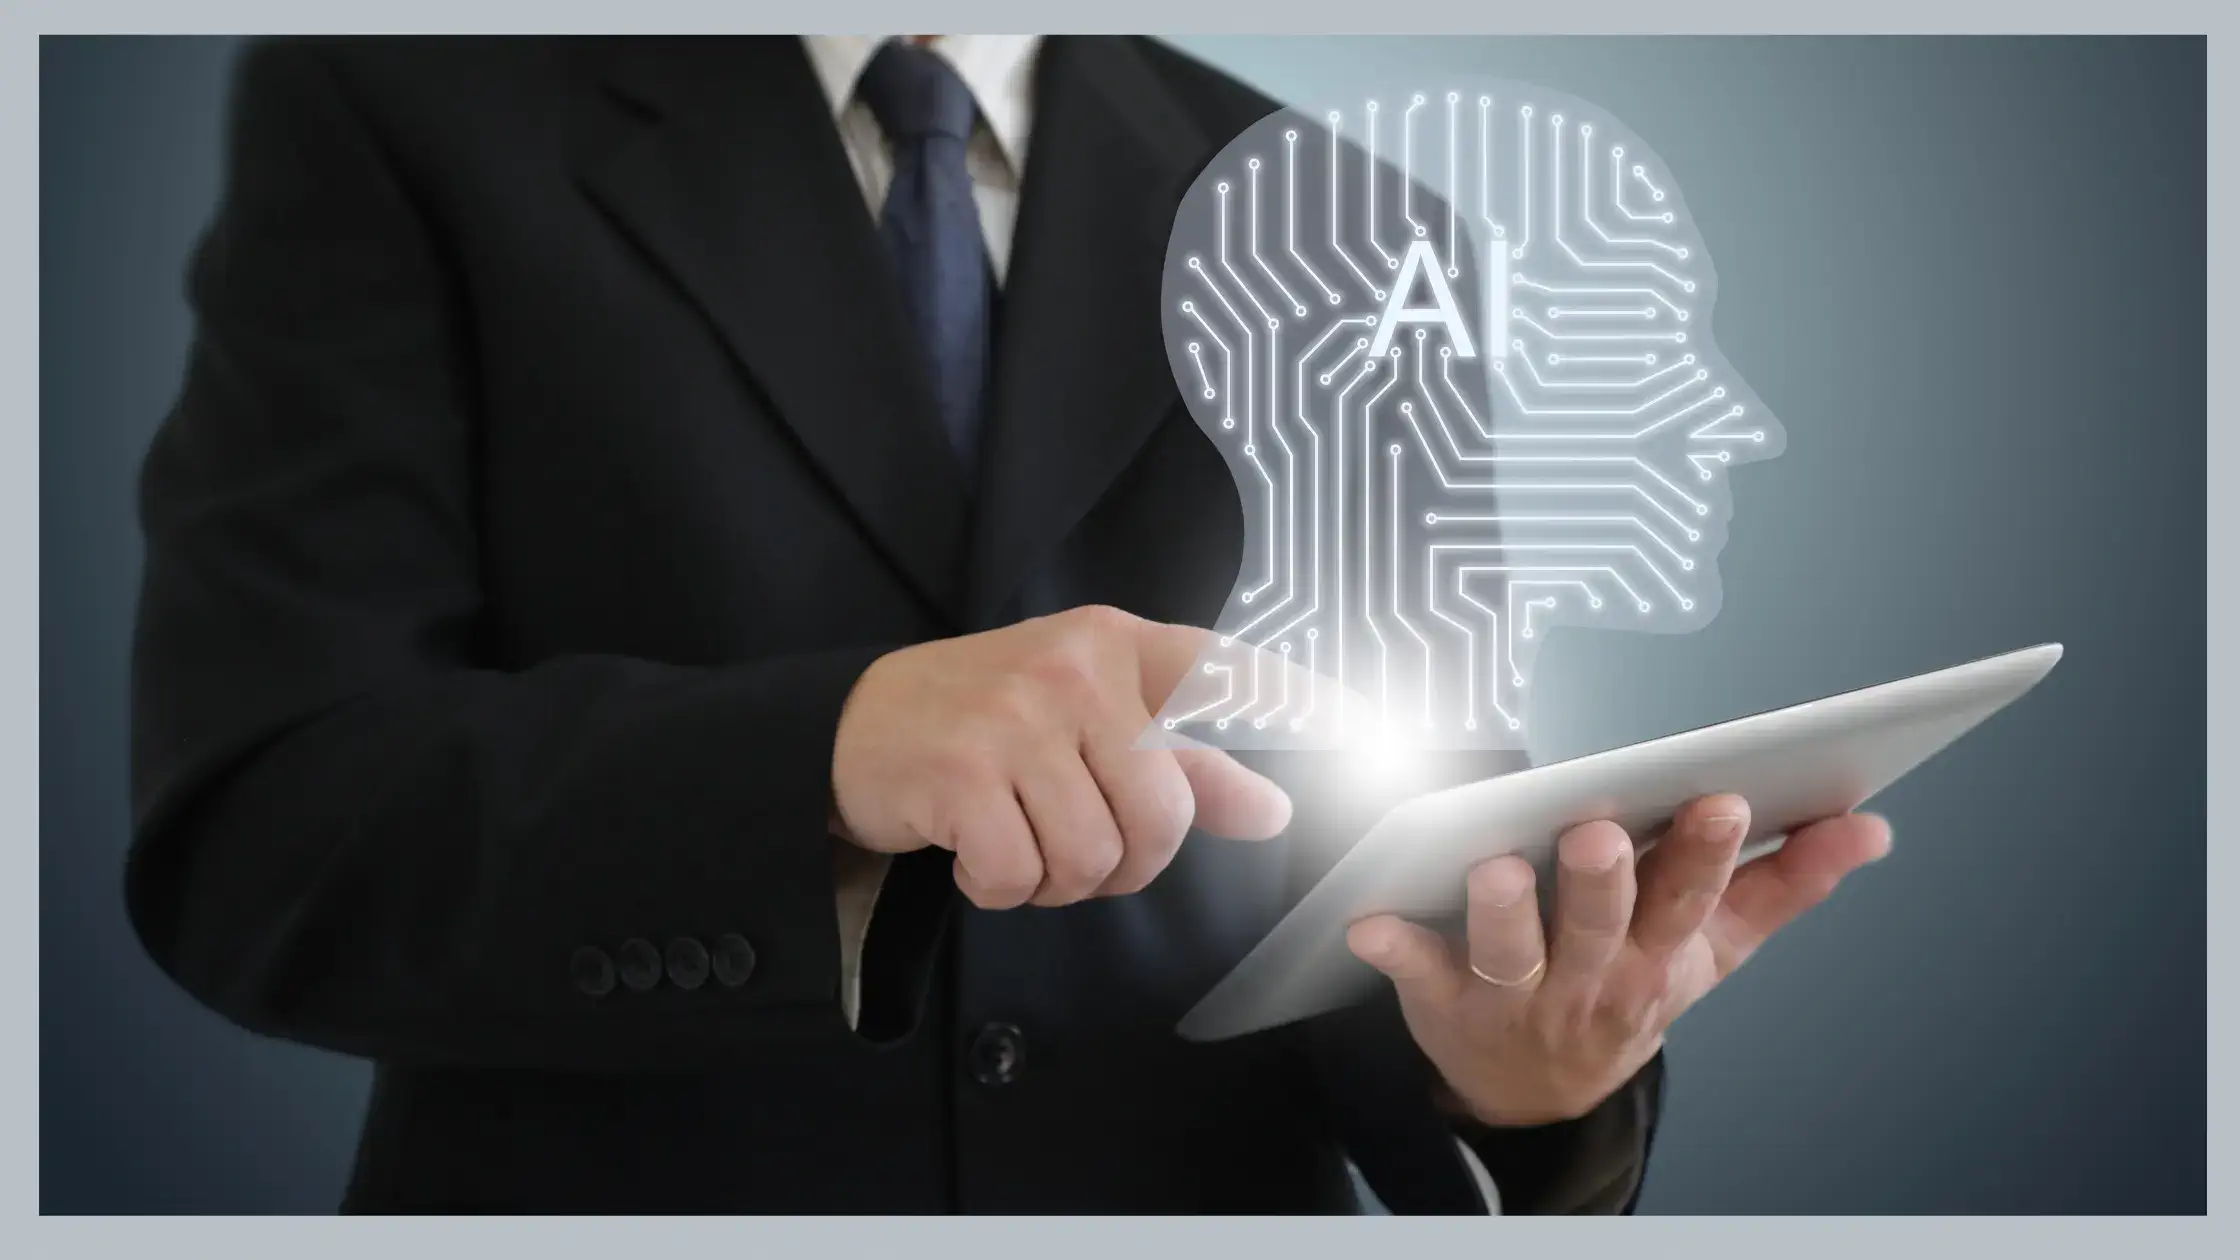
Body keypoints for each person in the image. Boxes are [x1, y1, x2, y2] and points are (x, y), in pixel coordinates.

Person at [124, 33, 1891, 1214]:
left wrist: (1507, 1062)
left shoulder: (1351, 227)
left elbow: (1388, 847)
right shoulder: (403, 96)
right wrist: (818, 760)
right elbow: (271, 834)